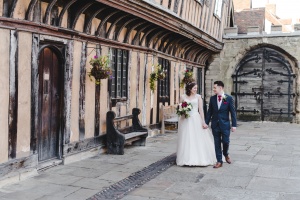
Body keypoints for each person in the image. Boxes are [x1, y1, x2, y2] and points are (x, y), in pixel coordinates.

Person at [176, 82, 216, 166]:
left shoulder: (198, 97)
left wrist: (203, 121)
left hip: (195, 118)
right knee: (186, 138)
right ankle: (185, 158)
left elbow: (201, 110)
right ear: (189, 88)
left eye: (196, 88)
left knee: (196, 137)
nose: (196, 89)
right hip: (185, 119)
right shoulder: (183, 97)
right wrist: (182, 110)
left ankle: (198, 158)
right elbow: (179, 106)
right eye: (194, 88)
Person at [205, 81, 237, 168]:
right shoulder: (212, 99)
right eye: (214, 88)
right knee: (217, 143)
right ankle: (219, 161)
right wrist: (206, 123)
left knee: (226, 141)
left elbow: (233, 112)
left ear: (221, 88)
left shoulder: (229, 98)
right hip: (215, 125)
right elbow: (209, 112)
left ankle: (226, 154)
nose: (213, 89)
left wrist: (234, 125)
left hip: (225, 125)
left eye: (215, 87)